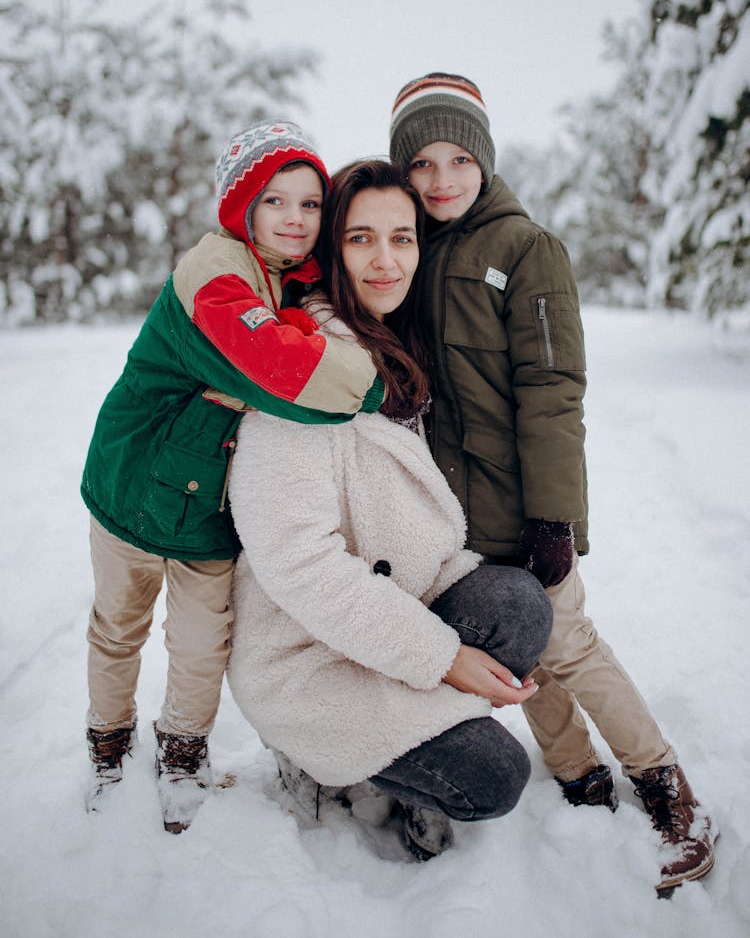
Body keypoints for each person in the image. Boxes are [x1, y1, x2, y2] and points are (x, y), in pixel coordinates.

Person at [389, 72, 716, 893]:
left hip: (525, 508)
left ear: (485, 160)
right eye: (422, 163)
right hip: (452, 517)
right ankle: (578, 775)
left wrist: (555, 518)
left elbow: (552, 391)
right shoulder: (416, 250)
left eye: (458, 158)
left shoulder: (526, 249)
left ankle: (665, 783)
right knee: (515, 660)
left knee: (570, 643)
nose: (440, 180)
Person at [226, 159, 553, 860]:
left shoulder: (393, 346)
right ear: (330, 250)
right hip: (307, 649)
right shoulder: (303, 366)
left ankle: (410, 742)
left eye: (403, 238)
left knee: (520, 605)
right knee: (496, 777)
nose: (386, 260)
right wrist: (443, 658)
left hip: (387, 606)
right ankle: (322, 759)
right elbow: (300, 565)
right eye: (360, 238)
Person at [81, 120, 385, 832]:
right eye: (276, 200)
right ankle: (106, 744)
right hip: (130, 484)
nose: (295, 219)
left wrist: (302, 335)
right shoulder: (214, 272)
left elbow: (288, 354)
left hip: (209, 505)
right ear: (243, 206)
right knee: (119, 626)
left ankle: (182, 754)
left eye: (311, 205)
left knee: (201, 641)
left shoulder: (292, 285)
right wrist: (362, 381)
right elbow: (288, 371)